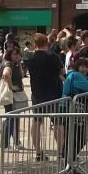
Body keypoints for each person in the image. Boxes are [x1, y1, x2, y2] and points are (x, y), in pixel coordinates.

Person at [25, 33, 65, 161]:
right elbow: (63, 71)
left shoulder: (30, 57)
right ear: (47, 43)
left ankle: (38, 152)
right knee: (58, 122)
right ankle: (61, 152)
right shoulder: (53, 56)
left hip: (37, 93)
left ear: (35, 44)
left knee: (37, 121)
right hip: (54, 92)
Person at [62, 58, 88, 173]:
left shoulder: (82, 76)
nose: (84, 69)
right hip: (74, 110)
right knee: (77, 137)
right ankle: (68, 163)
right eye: (82, 66)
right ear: (77, 67)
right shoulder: (76, 76)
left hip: (79, 110)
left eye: (86, 67)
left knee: (79, 137)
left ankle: (69, 162)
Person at [0, 47, 27, 151]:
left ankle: (16, 142)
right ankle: (5, 145)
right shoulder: (8, 64)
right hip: (11, 95)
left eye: (18, 54)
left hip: (14, 95)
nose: (17, 56)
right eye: (15, 54)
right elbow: (6, 74)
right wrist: (11, 87)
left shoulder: (15, 64)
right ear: (10, 55)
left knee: (15, 118)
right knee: (10, 118)